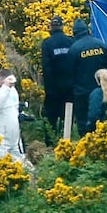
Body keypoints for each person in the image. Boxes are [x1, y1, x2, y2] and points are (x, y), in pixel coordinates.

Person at [68, 19, 107, 136]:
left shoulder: (74, 49)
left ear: (75, 33)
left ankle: (85, 145)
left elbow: (70, 72)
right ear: (88, 31)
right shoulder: (101, 45)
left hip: (82, 92)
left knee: (83, 122)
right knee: (101, 118)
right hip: (101, 89)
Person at [40, 16, 74, 144]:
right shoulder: (71, 41)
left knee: (50, 117)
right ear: (62, 26)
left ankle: (50, 142)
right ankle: (67, 141)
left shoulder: (47, 43)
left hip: (53, 88)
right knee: (68, 116)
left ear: (51, 28)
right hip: (70, 87)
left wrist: (49, 89)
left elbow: (46, 67)